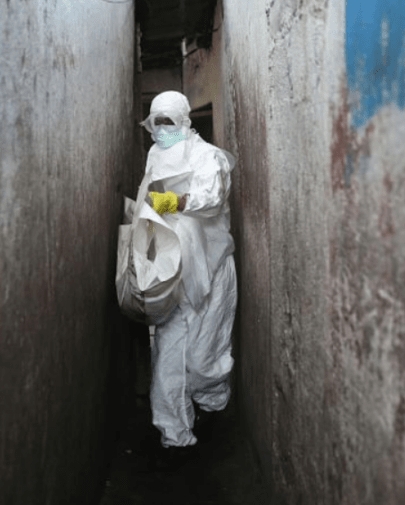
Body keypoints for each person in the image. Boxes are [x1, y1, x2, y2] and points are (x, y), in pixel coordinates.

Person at [137, 91, 237, 453]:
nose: (162, 129)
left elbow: (210, 198)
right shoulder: (155, 156)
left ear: (184, 120)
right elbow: (147, 203)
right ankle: (174, 433)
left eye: (169, 121)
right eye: (156, 121)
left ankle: (214, 407)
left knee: (203, 357)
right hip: (171, 273)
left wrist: (174, 201)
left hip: (210, 272)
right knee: (167, 356)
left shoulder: (206, 156)